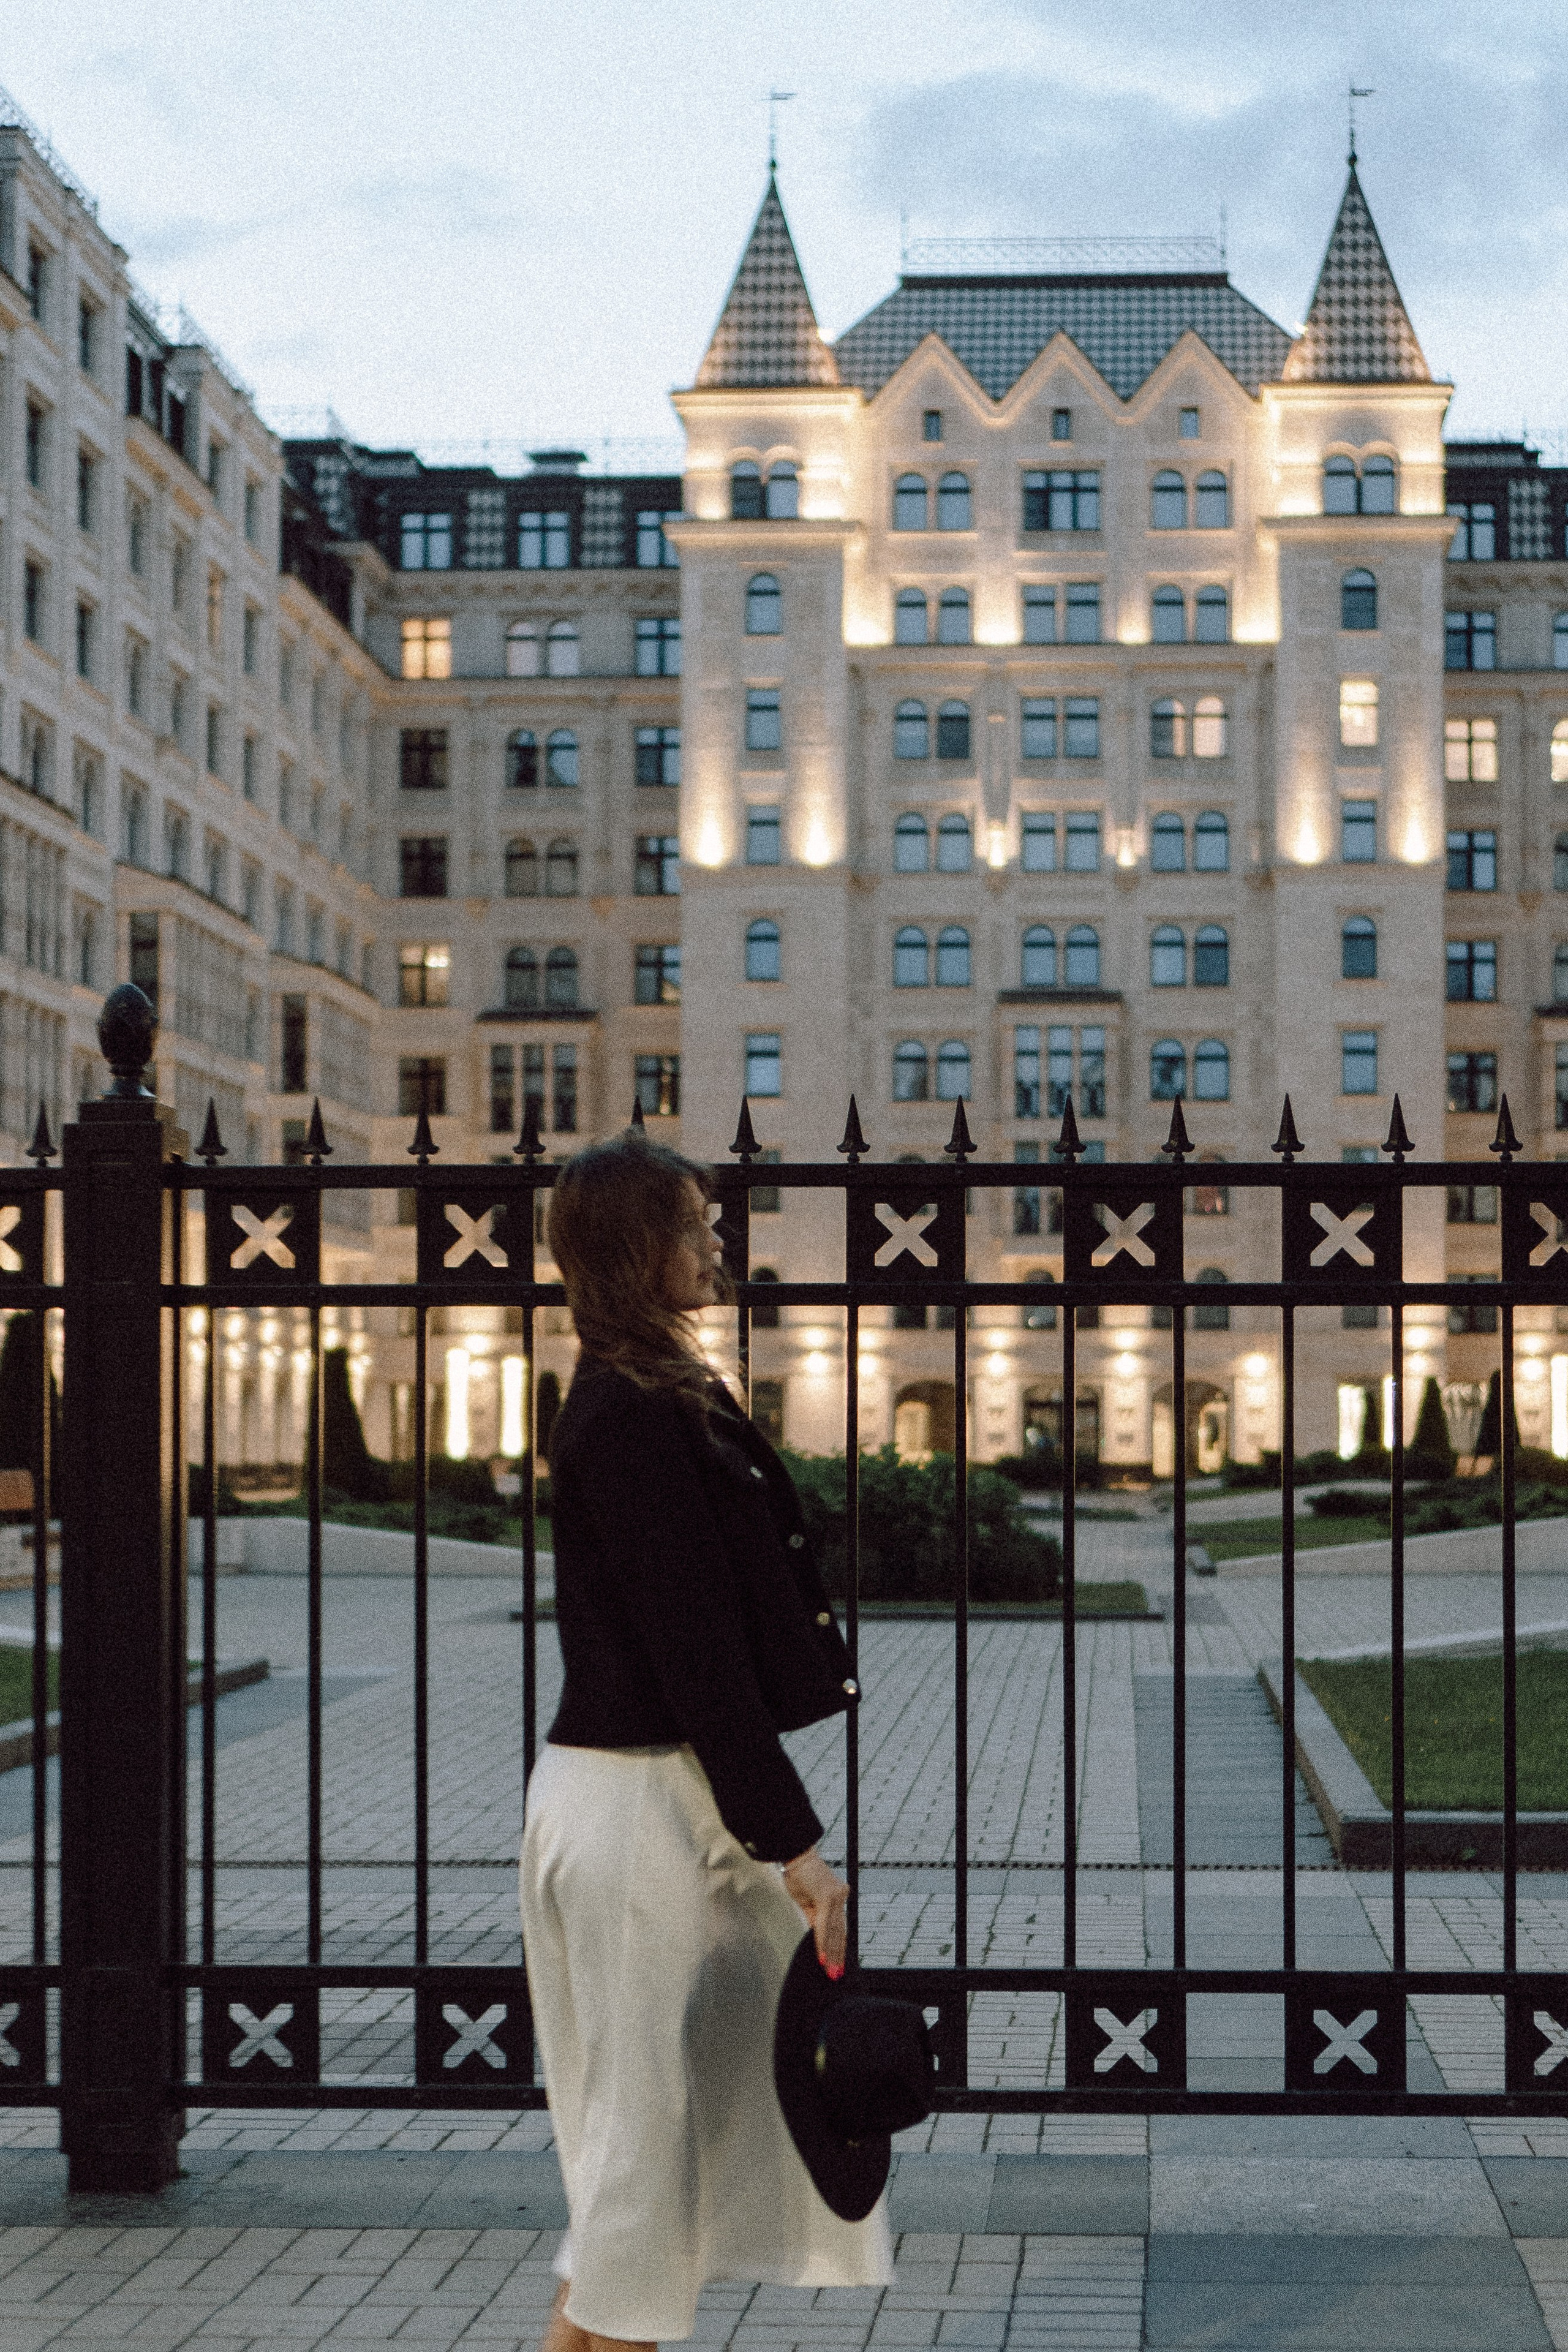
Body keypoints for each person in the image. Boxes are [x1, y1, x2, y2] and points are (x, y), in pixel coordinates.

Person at [522, 1131, 894, 2352]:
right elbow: (695, 1658)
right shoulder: (627, 1416)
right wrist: (797, 1845)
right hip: (638, 1811)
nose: (713, 1240)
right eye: (692, 1222)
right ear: (636, 1248)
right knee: (641, 2161)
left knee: (653, 2155)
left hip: (667, 1807)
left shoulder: (662, 1393)